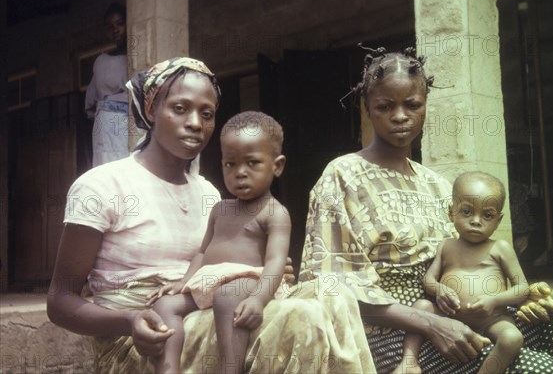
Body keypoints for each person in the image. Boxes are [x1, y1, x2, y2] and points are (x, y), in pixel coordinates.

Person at [47, 57, 376, 374]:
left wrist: (265, 271)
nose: (195, 123)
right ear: (151, 109)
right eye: (180, 108)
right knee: (296, 319)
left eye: (207, 114)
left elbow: (220, 264)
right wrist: (130, 319)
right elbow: (60, 301)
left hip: (206, 303)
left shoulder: (208, 193)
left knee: (335, 295)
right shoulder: (102, 185)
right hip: (144, 338)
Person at [299, 45, 553, 373]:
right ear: (367, 108)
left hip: (460, 312)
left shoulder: (438, 185)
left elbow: (469, 256)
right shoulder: (341, 176)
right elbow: (331, 286)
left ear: (425, 106)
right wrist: (431, 324)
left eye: (412, 105)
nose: (400, 116)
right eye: (385, 106)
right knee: (533, 367)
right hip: (388, 332)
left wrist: (518, 299)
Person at [146, 111, 291, 374]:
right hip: (210, 281)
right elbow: (203, 252)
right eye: (230, 165)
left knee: (227, 296)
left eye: (252, 163)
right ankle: (168, 369)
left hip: (250, 280)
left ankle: (230, 369)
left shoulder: (274, 212)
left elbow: (275, 262)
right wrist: (184, 283)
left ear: (277, 166)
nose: (240, 173)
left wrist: (258, 299)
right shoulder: (219, 209)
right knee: (164, 305)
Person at [399, 172, 528, 374]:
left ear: (498, 219)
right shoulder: (447, 246)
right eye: (467, 212)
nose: (476, 221)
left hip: (491, 320)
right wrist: (439, 289)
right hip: (449, 317)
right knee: (420, 306)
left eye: (487, 215)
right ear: (452, 213)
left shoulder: (500, 248)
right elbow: (429, 280)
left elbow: (522, 288)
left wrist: (494, 300)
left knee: (513, 338)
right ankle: (409, 362)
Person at [84, 2, 129, 166]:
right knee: (109, 175)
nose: (115, 30)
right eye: (110, 27)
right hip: (105, 125)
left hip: (131, 123)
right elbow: (90, 103)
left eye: (120, 23)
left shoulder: (138, 59)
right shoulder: (101, 62)